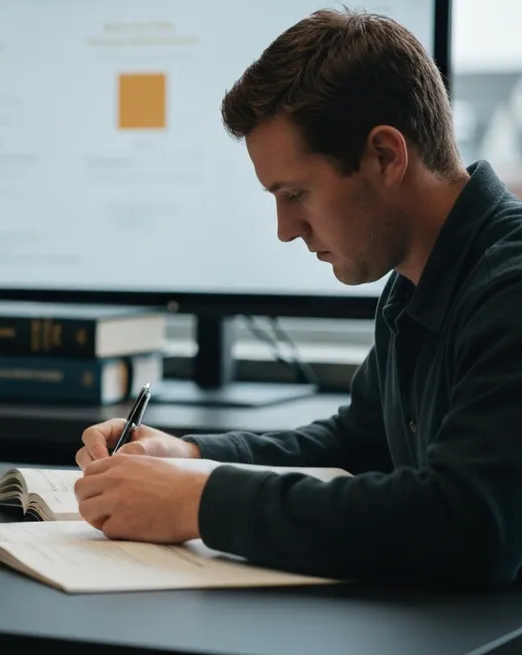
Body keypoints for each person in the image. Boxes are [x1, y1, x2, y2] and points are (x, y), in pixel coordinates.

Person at [74, 8, 522, 587]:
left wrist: (200, 502)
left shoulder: (509, 287)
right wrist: (189, 456)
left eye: (295, 193)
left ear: (386, 155)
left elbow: (466, 524)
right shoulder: (416, 280)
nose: (286, 229)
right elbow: (360, 442)